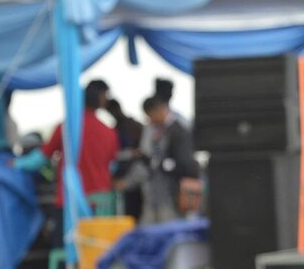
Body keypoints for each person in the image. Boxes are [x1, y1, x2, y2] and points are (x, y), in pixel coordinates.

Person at [15, 81, 119, 223]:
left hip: (70, 202)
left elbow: (42, 157)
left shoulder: (66, 127)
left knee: (65, 244)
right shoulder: (109, 132)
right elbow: (112, 165)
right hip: (101, 203)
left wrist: (16, 163)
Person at [118, 95, 200, 224]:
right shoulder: (161, 130)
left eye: (150, 116)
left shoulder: (178, 132)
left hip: (173, 196)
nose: (150, 120)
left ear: (159, 110)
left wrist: (161, 164)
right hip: (158, 195)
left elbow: (185, 165)